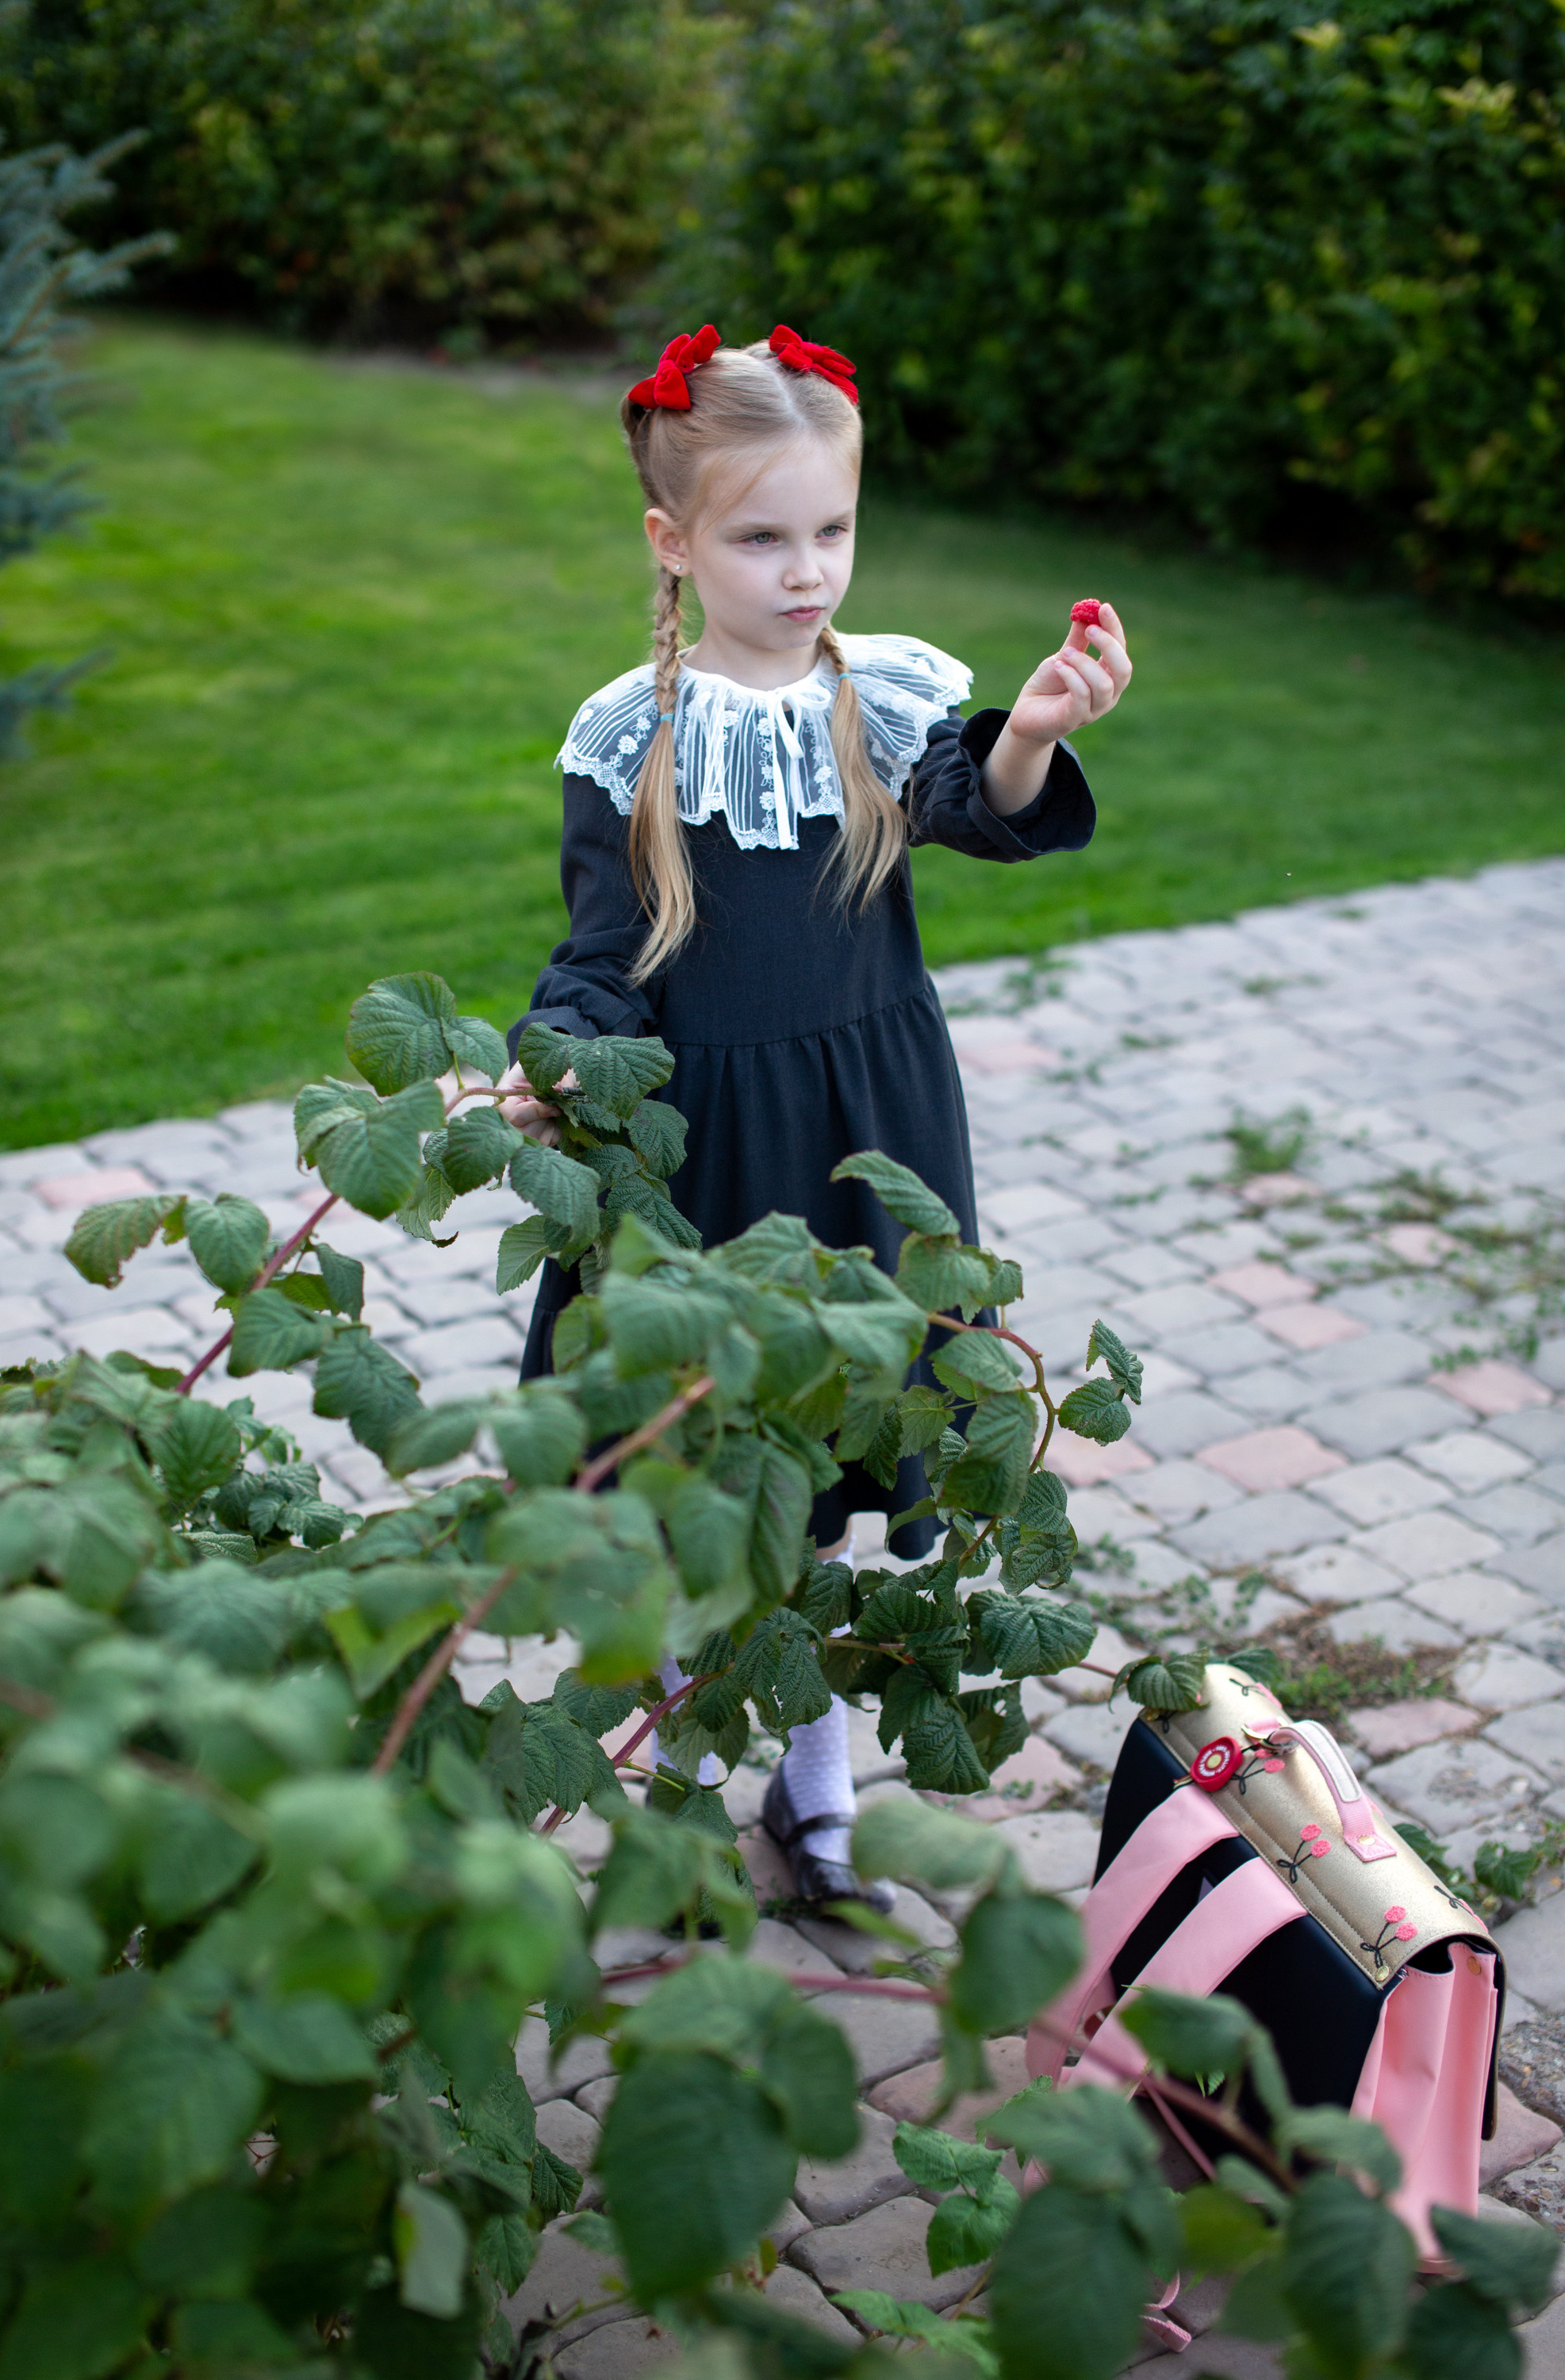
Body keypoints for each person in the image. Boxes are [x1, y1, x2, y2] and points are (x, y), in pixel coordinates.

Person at [502, 323, 1131, 1911]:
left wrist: (1036, 726)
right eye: (761, 536)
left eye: (832, 530)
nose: (807, 571)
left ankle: (816, 1776)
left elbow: (966, 804)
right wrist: (561, 1057)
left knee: (844, 1447)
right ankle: (686, 1774)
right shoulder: (632, 737)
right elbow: (598, 957)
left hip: (874, 1134)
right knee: (721, 1461)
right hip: (709, 1155)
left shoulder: (887, 692)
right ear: (673, 540)